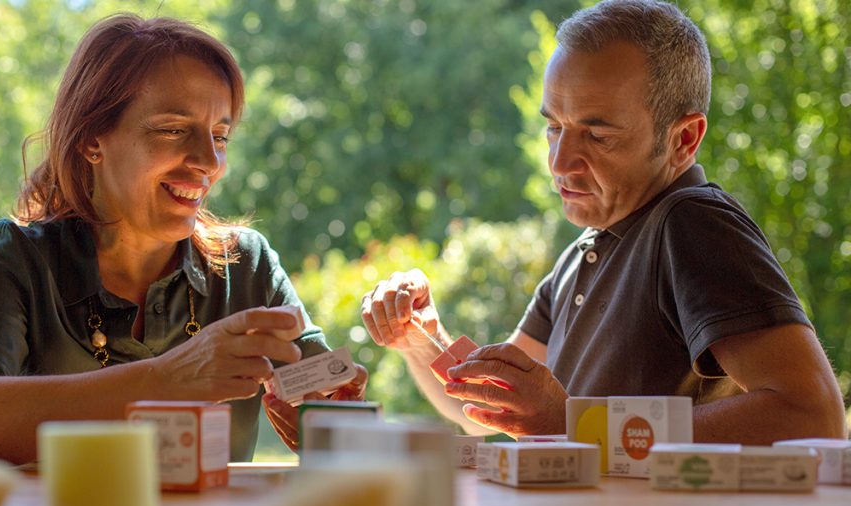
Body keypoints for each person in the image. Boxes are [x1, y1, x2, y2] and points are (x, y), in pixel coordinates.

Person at [361, 0, 846, 444]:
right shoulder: (583, 252)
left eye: (596, 134)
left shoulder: (692, 222)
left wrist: (573, 423)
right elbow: (481, 411)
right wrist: (421, 337)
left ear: (684, 139)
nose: (559, 161)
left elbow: (811, 415)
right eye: (554, 127)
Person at [0, 14, 366, 465]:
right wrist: (169, 378)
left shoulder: (247, 266)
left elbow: (329, 408)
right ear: (92, 138)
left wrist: (329, 416)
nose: (209, 161)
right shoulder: (17, 257)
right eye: (173, 129)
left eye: (220, 136)